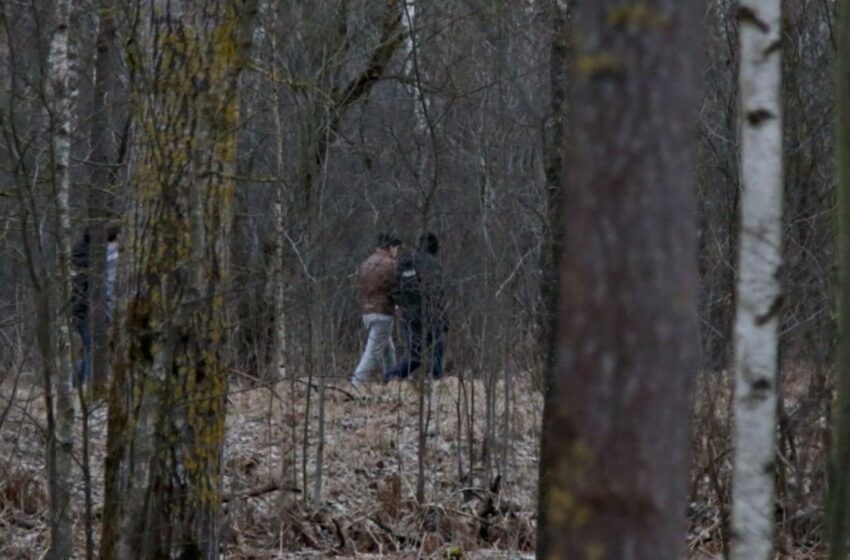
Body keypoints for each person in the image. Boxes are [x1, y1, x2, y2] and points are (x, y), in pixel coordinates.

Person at [384, 232, 447, 382]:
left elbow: (395, 289)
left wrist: (401, 308)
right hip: (430, 314)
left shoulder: (406, 262)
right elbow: (438, 293)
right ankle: (436, 379)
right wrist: (444, 319)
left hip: (409, 315)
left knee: (415, 356)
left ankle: (391, 376)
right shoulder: (433, 264)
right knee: (437, 348)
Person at [71, 223, 122, 387]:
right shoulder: (103, 258)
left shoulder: (83, 253)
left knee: (89, 351)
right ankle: (86, 389)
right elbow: (106, 290)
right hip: (90, 311)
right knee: (93, 351)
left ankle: (76, 387)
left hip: (82, 310)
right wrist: (108, 315)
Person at [350, 234, 403, 389]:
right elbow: (397, 288)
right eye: (396, 248)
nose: (397, 252)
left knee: (388, 349)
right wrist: (400, 306)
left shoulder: (367, 263)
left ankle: (391, 379)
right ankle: (356, 383)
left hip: (366, 312)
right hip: (383, 312)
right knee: (372, 352)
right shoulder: (390, 264)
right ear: (391, 247)